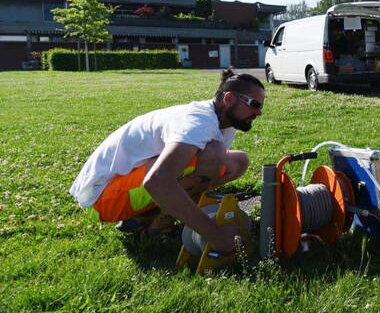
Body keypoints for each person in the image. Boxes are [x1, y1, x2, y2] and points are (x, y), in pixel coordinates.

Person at [69, 68, 265, 251]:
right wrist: (215, 234)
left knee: (238, 161)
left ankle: (147, 217)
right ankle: (156, 229)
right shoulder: (198, 122)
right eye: (254, 104)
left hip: (128, 185)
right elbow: (157, 181)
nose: (258, 112)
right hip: (102, 199)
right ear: (229, 99)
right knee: (212, 155)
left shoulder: (225, 124)